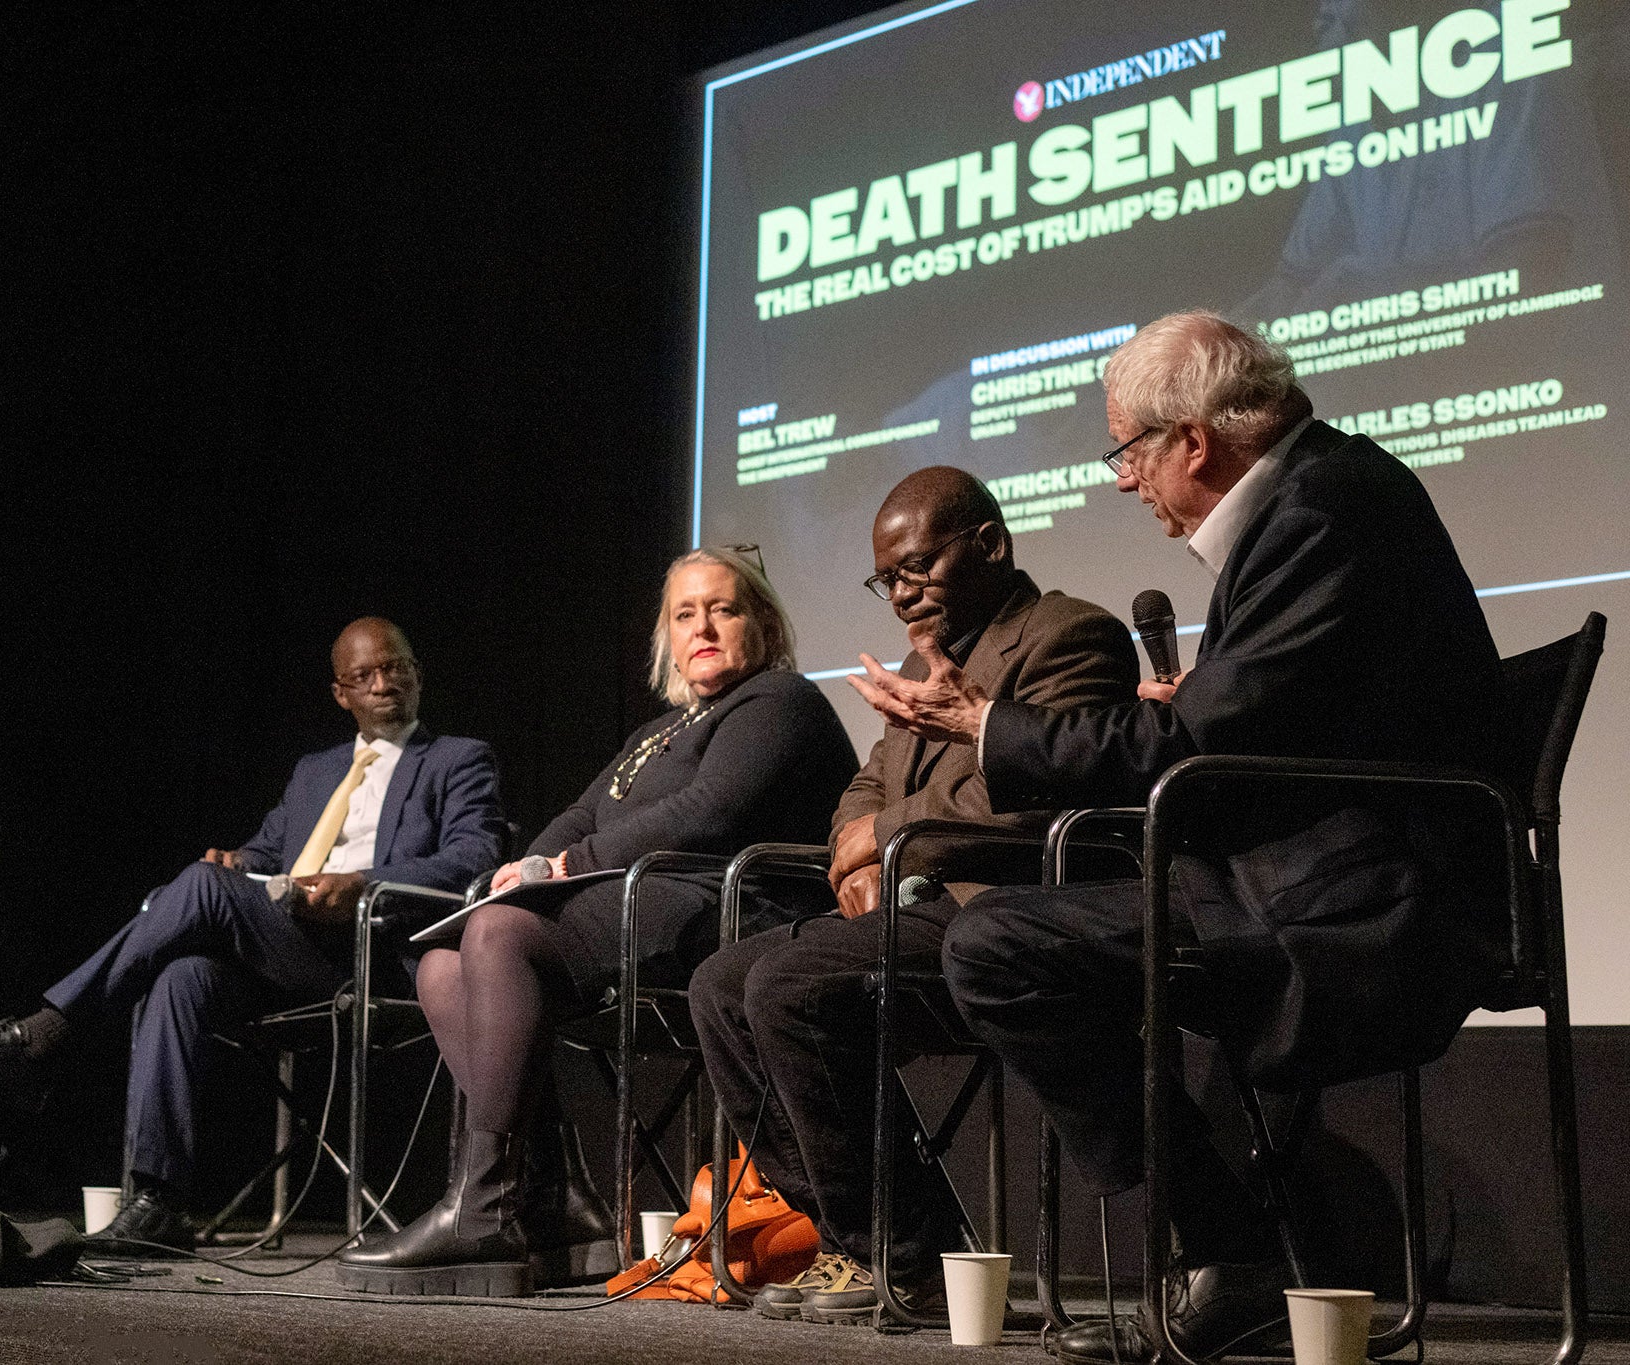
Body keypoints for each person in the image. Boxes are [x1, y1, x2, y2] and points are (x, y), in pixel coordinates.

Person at [850, 311, 1505, 1364]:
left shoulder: (1321, 509)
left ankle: (1229, 1255)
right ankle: (1238, 1251)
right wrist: (1189, 712)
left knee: (999, 947)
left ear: (1192, 441)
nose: (1123, 482)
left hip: (1366, 892)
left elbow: (1197, 745)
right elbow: (1246, 724)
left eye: (1126, 453)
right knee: (1008, 936)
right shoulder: (1327, 493)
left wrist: (984, 723)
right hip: (1311, 864)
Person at [336, 547, 858, 1297]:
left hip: (732, 913)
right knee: (441, 966)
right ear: (667, 637)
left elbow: (707, 810)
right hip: (645, 903)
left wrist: (566, 866)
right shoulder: (657, 731)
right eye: (685, 613)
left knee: (499, 934)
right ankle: (554, 1203)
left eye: (724, 609)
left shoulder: (780, 700)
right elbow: (581, 813)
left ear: (764, 625)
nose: (703, 627)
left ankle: (483, 1206)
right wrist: (530, 864)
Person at [688, 468, 1138, 1325]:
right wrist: (855, 855)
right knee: (719, 985)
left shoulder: (1070, 635)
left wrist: (890, 834)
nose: (900, 593)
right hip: (907, 908)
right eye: (884, 579)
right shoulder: (920, 663)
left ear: (990, 544)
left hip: (1006, 911)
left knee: (788, 985)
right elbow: (866, 787)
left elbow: (1037, 791)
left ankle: (898, 1253)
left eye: (916, 568)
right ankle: (859, 1235)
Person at [0, 617, 504, 1251]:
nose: (383, 683)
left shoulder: (457, 759)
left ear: (417, 675)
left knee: (199, 887)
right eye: (364, 675)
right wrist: (237, 862)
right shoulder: (315, 771)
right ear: (340, 693)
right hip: (289, 947)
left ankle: (40, 1037)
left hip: (373, 953)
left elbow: (475, 858)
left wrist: (361, 882)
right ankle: (157, 1200)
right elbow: (269, 851)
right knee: (181, 976)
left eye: (395, 668)